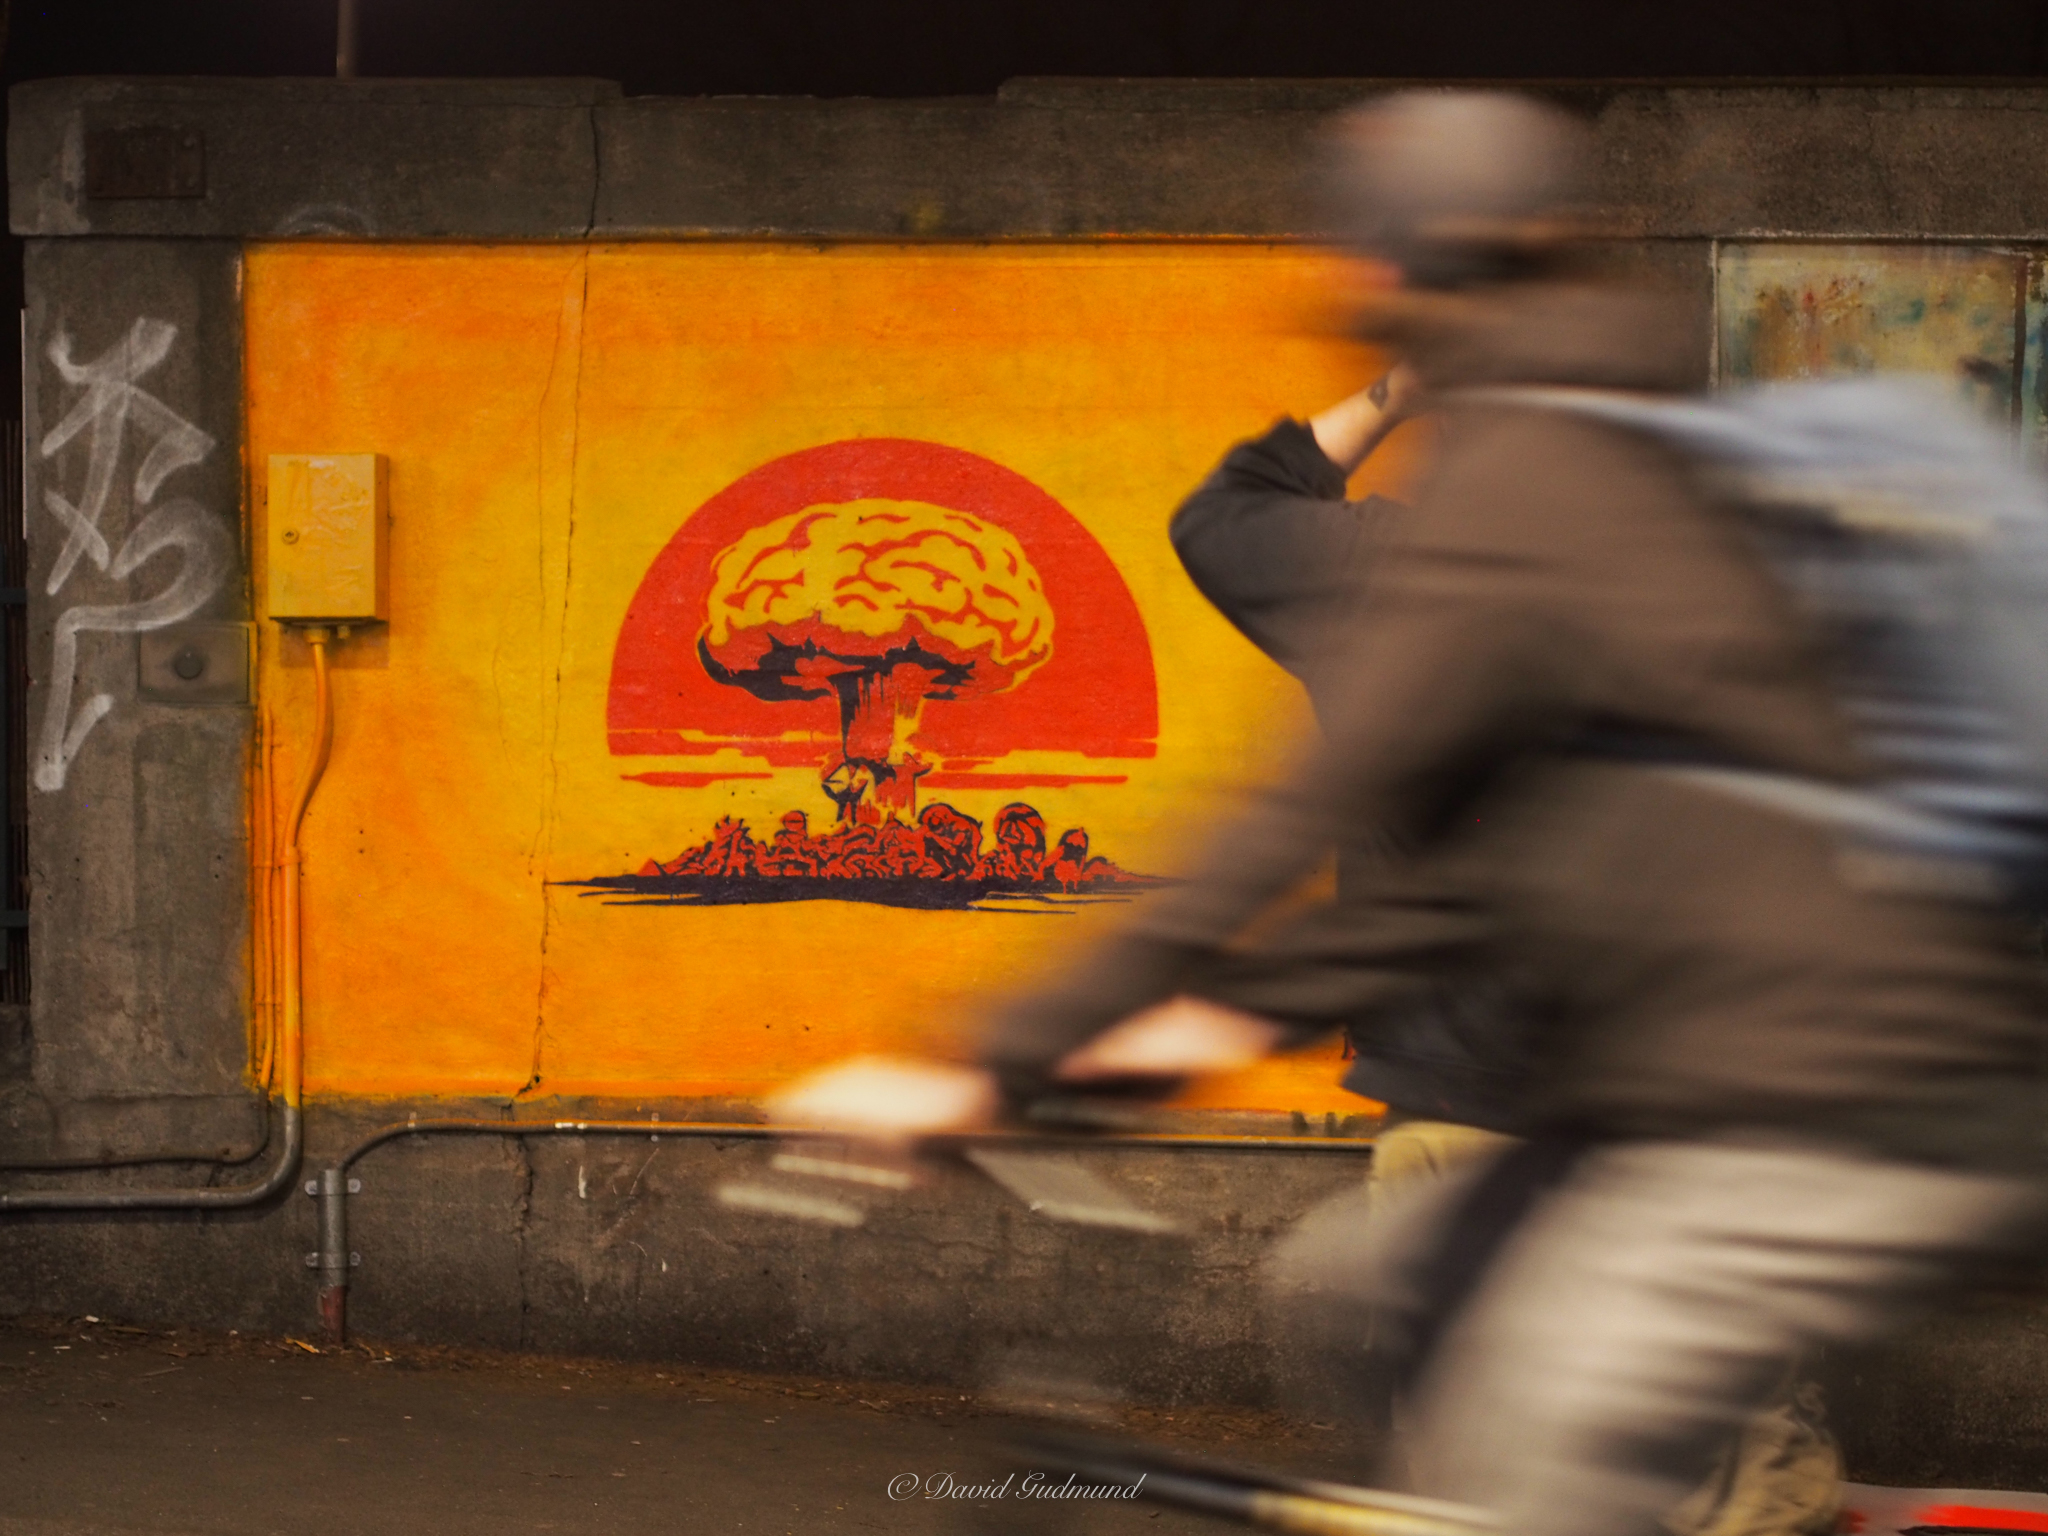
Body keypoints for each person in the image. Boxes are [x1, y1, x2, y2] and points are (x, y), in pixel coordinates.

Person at [778, 90, 2048, 1536]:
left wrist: (987, 1062)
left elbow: (1296, 806)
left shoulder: (1512, 503)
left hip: (1808, 1108)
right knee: (1370, 1285)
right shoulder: (1664, 477)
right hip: (1692, 1085)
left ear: (1380, 273)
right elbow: (1506, 872)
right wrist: (1212, 1022)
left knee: (1547, 1464)